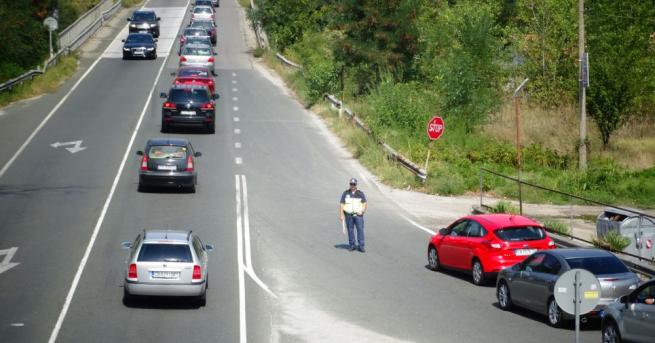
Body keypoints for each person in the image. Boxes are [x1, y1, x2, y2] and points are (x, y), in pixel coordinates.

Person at [340, 178, 367, 252]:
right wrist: (342, 215)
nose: (352, 185)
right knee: (350, 230)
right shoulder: (345, 193)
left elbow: (364, 203)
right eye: (351, 184)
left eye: (354, 184)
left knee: (360, 230)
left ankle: (361, 246)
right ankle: (352, 245)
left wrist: (362, 211)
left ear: (356, 185)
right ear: (349, 184)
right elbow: (342, 204)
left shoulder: (360, 193)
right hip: (348, 215)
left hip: (358, 215)